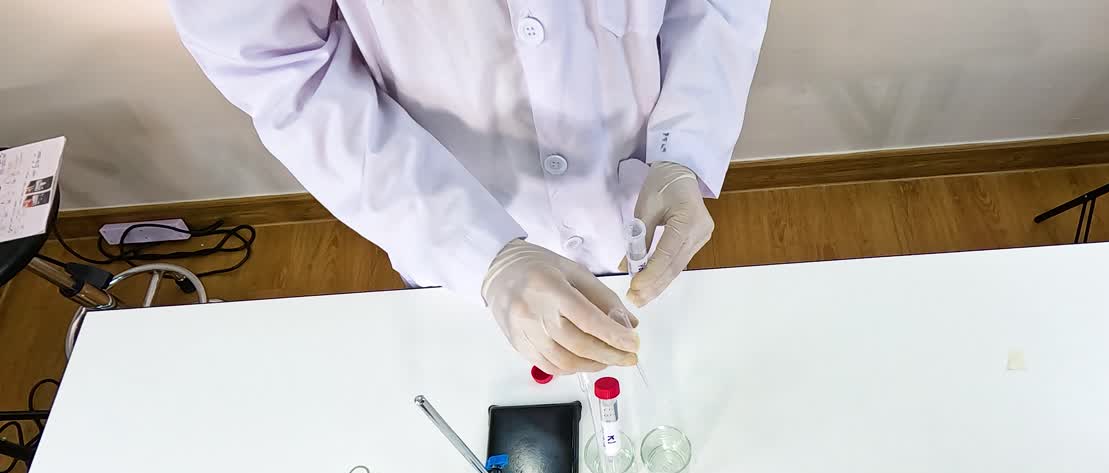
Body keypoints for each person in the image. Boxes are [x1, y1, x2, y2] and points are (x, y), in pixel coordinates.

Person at [168, 1, 769, 374]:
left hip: (633, 199)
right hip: (446, 216)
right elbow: (279, 64)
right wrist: (477, 251)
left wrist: (684, 144)